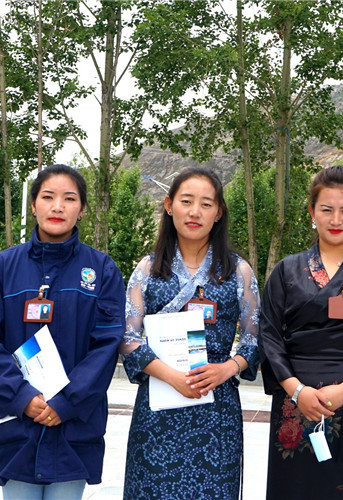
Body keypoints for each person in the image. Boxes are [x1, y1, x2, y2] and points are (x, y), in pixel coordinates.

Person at [0, 164, 126, 499]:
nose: (58, 206)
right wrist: (22, 398)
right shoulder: (1, 268)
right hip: (18, 426)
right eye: (48, 197)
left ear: (82, 209)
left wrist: (66, 403)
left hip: (73, 427)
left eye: (69, 198)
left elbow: (106, 344)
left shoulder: (102, 270)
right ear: (33, 205)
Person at [259, 165, 343, 500]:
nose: (336, 220)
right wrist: (298, 391)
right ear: (312, 213)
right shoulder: (286, 271)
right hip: (296, 403)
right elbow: (269, 335)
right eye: (326, 209)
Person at [119, 167, 260, 499]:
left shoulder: (238, 271)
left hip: (216, 408)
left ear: (218, 213)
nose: (195, 212)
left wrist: (227, 368)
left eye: (206, 204)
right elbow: (127, 338)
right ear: (169, 206)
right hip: (158, 409)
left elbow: (255, 339)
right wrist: (171, 376)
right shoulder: (147, 269)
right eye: (186, 201)